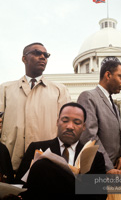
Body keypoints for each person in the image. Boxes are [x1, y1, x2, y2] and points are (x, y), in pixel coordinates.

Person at [0, 42, 71, 172]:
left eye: (46, 55)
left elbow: (66, 128)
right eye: (37, 53)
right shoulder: (5, 89)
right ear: (24, 58)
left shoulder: (60, 90)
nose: (43, 57)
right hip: (10, 165)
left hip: (46, 165)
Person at [15, 102, 106, 200]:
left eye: (77, 122)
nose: (70, 126)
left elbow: (100, 195)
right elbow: (20, 186)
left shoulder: (95, 157)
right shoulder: (36, 148)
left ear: (84, 127)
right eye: (65, 120)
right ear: (57, 122)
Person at [77, 56, 121, 174]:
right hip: (99, 172)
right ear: (108, 75)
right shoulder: (88, 97)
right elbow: (89, 136)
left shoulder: (115, 106)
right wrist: (108, 167)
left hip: (118, 173)